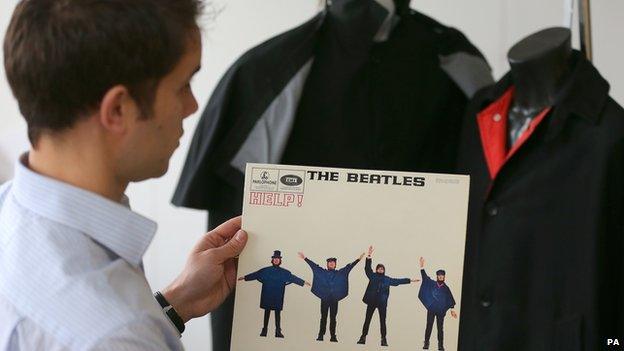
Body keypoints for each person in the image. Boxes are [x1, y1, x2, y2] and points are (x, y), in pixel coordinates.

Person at [0, 1, 248, 350]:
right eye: (182, 86)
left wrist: (174, 306)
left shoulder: (9, 209)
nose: (192, 106)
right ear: (118, 109)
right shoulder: (115, 334)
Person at [238, 250, 310, 338]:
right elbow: (256, 274)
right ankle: (264, 330)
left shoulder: (285, 272)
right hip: (267, 294)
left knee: (277, 314)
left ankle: (278, 331)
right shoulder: (265, 270)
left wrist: (304, 282)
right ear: (272, 260)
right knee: (266, 312)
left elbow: (293, 278)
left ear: (280, 261)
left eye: (278, 259)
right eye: (275, 259)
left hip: (278, 295)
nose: (276, 260)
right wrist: (245, 277)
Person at [357, 246, 419, 347]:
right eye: (379, 268)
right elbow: (367, 268)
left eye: (382, 268)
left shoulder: (387, 279)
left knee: (383, 321)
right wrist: (369, 256)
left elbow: (398, 281)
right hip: (371, 302)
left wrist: (410, 280)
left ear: (384, 270)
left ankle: (383, 339)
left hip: (382, 303)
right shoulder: (372, 276)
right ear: (377, 269)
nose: (381, 269)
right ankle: (363, 337)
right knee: (367, 320)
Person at [298, 251, 365, 342]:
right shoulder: (322, 272)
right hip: (324, 299)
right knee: (323, 317)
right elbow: (314, 266)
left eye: (333, 262)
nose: (331, 263)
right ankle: (321, 335)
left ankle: (333, 336)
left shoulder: (340, 273)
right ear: (327, 264)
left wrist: (358, 259)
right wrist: (305, 258)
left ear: (335, 265)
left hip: (334, 299)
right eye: (330, 262)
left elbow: (349, 267)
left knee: (333, 318)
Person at [418, 257, 457, 351]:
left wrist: (452, 310)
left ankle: (440, 345)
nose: (440, 277)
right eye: (439, 275)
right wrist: (422, 267)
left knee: (440, 328)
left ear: (444, 277)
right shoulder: (432, 283)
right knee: (429, 326)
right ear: (437, 276)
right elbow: (425, 278)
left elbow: (450, 299)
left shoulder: (446, 288)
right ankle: (426, 343)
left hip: (440, 311)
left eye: (442, 276)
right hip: (431, 309)